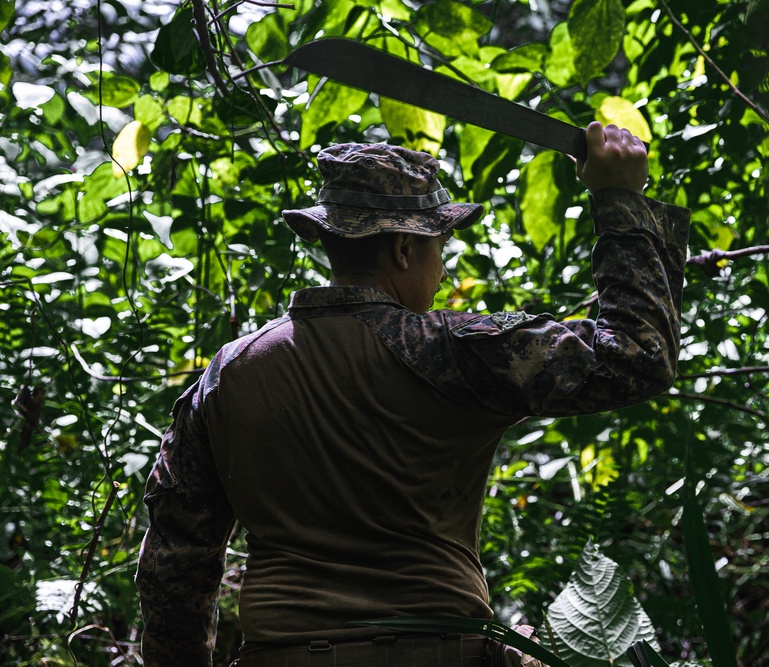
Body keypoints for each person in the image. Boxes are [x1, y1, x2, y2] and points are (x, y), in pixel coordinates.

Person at [135, 121, 690, 667]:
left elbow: (174, 562)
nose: (443, 272)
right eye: (438, 248)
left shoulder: (230, 373)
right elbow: (636, 356)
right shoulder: (452, 351)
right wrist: (619, 201)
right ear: (403, 250)